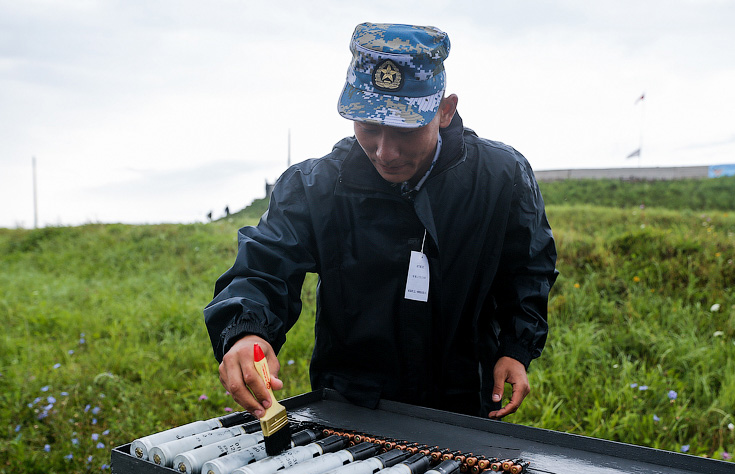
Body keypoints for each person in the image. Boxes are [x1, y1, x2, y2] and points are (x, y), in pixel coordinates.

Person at [205, 22, 557, 422]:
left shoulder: (500, 176)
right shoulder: (316, 185)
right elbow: (265, 262)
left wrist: (515, 348)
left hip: (464, 405)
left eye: (404, 131)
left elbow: (529, 265)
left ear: (444, 110)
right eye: (369, 129)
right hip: (351, 408)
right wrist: (246, 330)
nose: (385, 152)